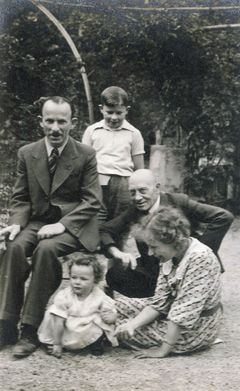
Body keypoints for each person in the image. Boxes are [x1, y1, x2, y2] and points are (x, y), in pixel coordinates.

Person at [0, 96, 102, 358]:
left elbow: (92, 202)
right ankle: (7, 323)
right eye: (50, 121)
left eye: (62, 121)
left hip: (74, 225)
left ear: (72, 123)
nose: (55, 128)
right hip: (36, 222)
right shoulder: (28, 153)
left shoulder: (85, 155)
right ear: (41, 122)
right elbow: (20, 198)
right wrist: (14, 224)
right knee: (15, 246)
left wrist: (61, 225)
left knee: (46, 250)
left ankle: (30, 329)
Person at [100, 169, 233, 298]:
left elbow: (223, 217)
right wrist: (118, 253)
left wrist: (196, 254)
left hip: (185, 266)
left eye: (142, 191)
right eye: (132, 192)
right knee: (115, 275)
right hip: (155, 267)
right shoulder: (134, 210)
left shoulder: (179, 201)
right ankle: (166, 297)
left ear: (157, 188)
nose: (137, 198)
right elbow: (105, 230)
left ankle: (178, 294)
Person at [114, 206, 223, 358]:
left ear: (173, 239)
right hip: (172, 313)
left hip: (195, 327)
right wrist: (132, 324)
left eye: (154, 247)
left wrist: (163, 350)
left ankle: (93, 329)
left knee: (118, 327)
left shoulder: (200, 258)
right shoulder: (171, 255)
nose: (151, 253)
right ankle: (91, 322)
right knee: (115, 307)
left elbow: (183, 312)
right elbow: (159, 302)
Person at [82, 86, 145, 221]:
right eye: (109, 112)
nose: (114, 117)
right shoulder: (92, 131)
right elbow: (84, 162)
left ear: (126, 110)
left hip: (123, 185)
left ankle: (115, 242)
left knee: (121, 221)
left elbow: (139, 168)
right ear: (101, 109)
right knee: (96, 220)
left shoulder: (134, 133)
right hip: (97, 183)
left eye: (119, 113)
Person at [38, 253, 118, 358]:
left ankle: (94, 343)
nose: (77, 282)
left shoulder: (99, 295)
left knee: (100, 321)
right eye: (74, 277)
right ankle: (54, 343)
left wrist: (111, 318)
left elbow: (110, 310)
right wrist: (57, 343)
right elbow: (59, 322)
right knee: (53, 314)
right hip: (65, 326)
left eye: (83, 279)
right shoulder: (64, 296)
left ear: (95, 280)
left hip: (86, 325)